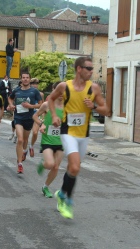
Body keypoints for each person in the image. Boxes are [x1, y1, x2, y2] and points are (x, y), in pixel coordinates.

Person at [48, 56, 109, 219]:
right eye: (88, 68)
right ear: (79, 69)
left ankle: (61, 193)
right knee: (74, 167)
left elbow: (106, 110)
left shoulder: (94, 88)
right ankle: (67, 200)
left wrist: (94, 106)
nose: (91, 71)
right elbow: (50, 99)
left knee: (73, 169)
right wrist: (54, 115)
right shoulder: (64, 86)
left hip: (84, 134)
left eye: (92, 69)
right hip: (68, 132)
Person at [32, 82, 63, 198]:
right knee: (50, 164)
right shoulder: (46, 105)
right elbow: (34, 116)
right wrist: (41, 124)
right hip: (48, 140)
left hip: (61, 141)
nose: (61, 94)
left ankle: (45, 187)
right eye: (58, 91)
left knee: (56, 167)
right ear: (53, 91)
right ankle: (43, 164)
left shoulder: (68, 106)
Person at [8, 71, 42, 174]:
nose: (25, 79)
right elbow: (10, 98)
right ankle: (19, 164)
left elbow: (41, 104)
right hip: (18, 118)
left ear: (29, 79)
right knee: (20, 139)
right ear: (21, 79)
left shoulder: (34, 91)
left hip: (29, 118)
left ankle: (24, 151)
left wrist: (30, 106)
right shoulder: (17, 90)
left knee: (26, 139)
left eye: (27, 77)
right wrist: (11, 105)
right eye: (23, 77)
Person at [29, 78, 45, 158]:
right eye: (33, 83)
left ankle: (31, 146)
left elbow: (43, 105)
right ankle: (24, 150)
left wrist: (43, 115)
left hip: (36, 115)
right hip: (27, 115)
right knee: (25, 134)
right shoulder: (27, 93)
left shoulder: (41, 94)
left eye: (36, 84)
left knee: (35, 132)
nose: (35, 85)